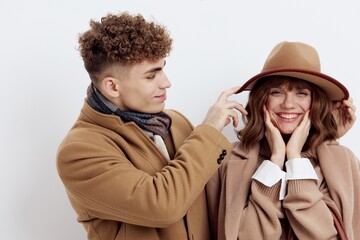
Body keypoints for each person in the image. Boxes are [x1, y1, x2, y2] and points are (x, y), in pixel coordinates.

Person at [56, 12, 246, 240]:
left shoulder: (176, 122)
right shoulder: (79, 150)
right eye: (151, 76)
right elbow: (162, 205)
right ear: (112, 87)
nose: (166, 82)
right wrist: (209, 130)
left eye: (162, 69)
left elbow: (219, 197)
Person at [206, 41, 359, 240]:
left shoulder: (341, 162)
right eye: (277, 92)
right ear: (262, 99)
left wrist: (295, 158)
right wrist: (275, 162)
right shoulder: (228, 160)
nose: (288, 104)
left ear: (316, 102)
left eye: (301, 93)